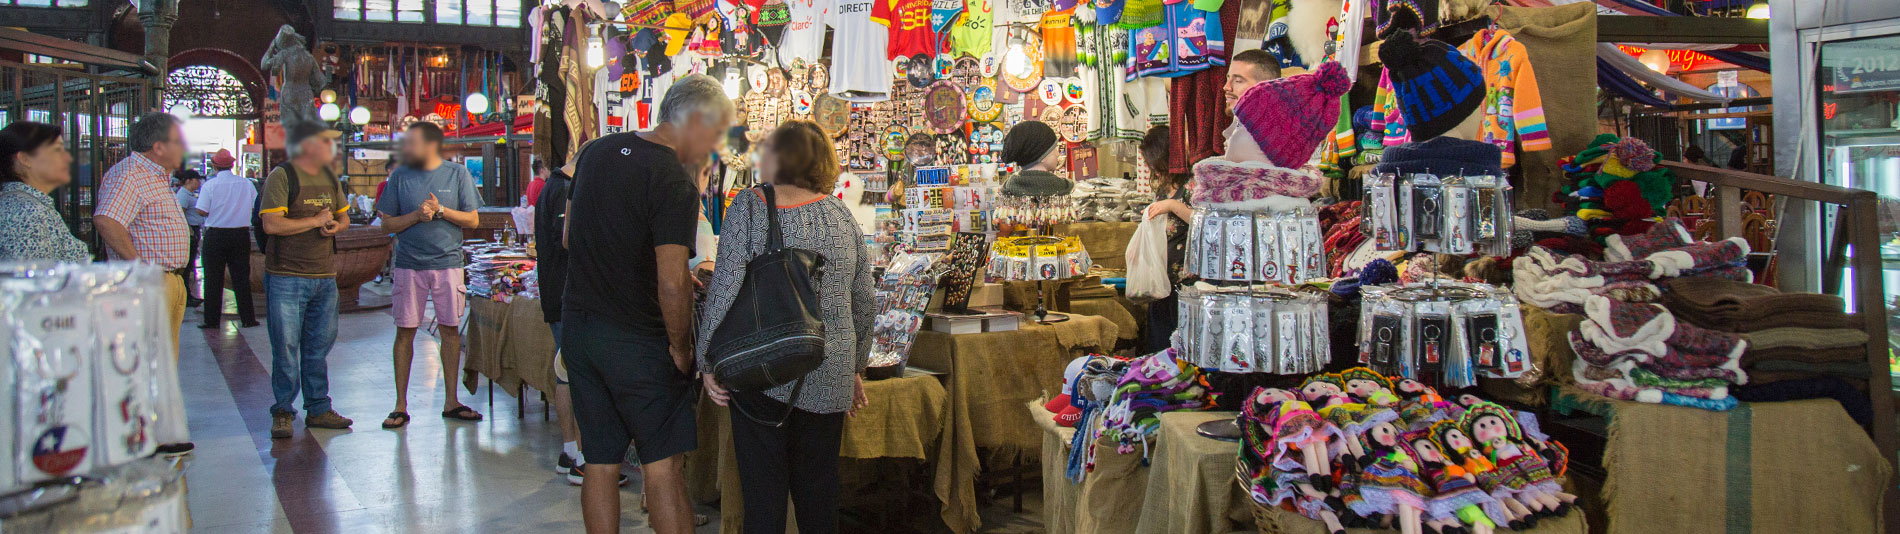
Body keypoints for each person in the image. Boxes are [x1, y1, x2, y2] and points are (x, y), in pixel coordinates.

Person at [561, 73, 732, 534]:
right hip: (638, 340)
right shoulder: (674, 177)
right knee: (662, 465)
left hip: (580, 329)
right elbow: (672, 281)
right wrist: (680, 349)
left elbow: (566, 237)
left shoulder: (596, 150)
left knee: (599, 460)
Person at [697, 120, 875, 534]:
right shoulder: (840, 214)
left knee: (763, 497)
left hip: (763, 366)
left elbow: (724, 287)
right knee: (819, 493)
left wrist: (708, 358)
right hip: (830, 367)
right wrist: (855, 368)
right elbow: (864, 301)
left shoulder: (750, 205)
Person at [374, 122, 485, 429]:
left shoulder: (457, 174)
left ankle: (451, 401)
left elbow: (473, 219)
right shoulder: (400, 177)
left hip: (448, 263)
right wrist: (415, 216)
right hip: (410, 265)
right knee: (405, 331)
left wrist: (440, 211)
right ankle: (399, 405)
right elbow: (386, 225)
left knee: (450, 330)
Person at [259, 122, 354, 439]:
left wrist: (335, 227)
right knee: (285, 348)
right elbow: (271, 224)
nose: (332, 148)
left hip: (324, 277)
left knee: (318, 348)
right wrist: (315, 220)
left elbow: (344, 217)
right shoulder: (282, 176)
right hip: (287, 276)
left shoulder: (329, 177)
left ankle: (318, 408)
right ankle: (283, 411)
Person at [96, 112, 193, 353]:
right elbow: (107, 220)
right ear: (159, 147)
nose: (184, 148)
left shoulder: (156, 177)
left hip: (168, 280)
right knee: (148, 363)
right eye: (179, 141)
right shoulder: (130, 175)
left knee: (162, 363)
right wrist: (141, 267)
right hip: (148, 282)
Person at [0, 121, 90, 262]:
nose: (68, 158)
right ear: (25, 159)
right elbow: (37, 278)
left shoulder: (29, 205)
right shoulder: (27, 212)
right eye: (56, 150)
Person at [1139, 125, 1194, 354]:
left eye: (1152, 160)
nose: (1150, 166)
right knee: (1159, 344)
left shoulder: (1192, 186)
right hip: (1162, 281)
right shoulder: (1163, 187)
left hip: (1187, 280)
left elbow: (1205, 222)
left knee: (1183, 342)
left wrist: (1172, 206)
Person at [195, 149, 260, 328]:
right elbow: (256, 205)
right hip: (240, 235)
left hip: (216, 235)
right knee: (241, 278)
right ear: (232, 165)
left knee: (213, 278)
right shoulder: (246, 184)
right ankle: (248, 318)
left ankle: (211, 320)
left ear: (214, 165)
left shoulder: (210, 185)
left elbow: (202, 210)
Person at [999, 121, 1072, 197]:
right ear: (1043, 156)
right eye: (1054, 150)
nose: (1058, 154)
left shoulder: (1008, 190)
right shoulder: (1066, 190)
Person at [175, 169, 206, 307]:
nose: (199, 183)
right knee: (186, 266)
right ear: (189, 180)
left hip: (194, 230)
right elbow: (181, 214)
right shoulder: (183, 195)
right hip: (190, 231)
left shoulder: (189, 194)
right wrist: (189, 232)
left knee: (190, 265)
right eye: (196, 180)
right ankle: (185, 296)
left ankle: (188, 295)